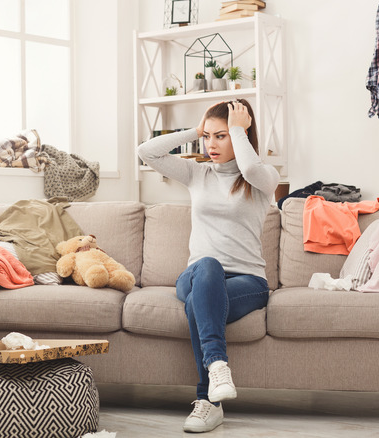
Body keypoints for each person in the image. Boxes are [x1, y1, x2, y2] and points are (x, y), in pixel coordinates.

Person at [136, 99, 278, 433]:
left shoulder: (263, 180)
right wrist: (194, 130)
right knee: (208, 267)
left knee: (200, 306)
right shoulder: (197, 173)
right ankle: (217, 367)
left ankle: (207, 402)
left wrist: (239, 130)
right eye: (207, 137)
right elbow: (146, 151)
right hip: (197, 273)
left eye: (221, 136)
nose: (210, 145)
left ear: (241, 136)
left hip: (248, 282)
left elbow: (252, 168)